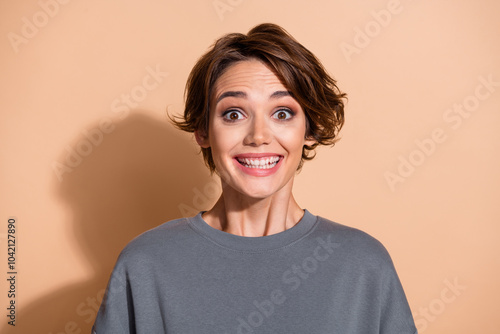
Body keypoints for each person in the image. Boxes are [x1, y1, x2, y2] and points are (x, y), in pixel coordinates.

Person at [92, 23, 417, 334]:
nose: (258, 136)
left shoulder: (363, 265)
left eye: (282, 113)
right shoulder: (145, 265)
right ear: (203, 131)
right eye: (234, 113)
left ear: (311, 130)